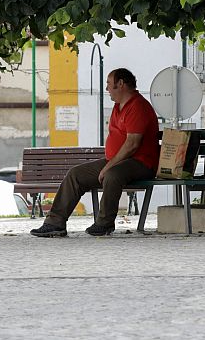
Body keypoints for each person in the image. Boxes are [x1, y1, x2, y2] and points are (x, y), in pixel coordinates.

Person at [31, 68, 159, 237]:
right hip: (117, 161)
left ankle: (104, 224)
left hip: (140, 163)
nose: (106, 89)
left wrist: (108, 167)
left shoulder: (138, 106)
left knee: (112, 175)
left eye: (109, 83)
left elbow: (132, 145)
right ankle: (55, 223)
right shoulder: (118, 106)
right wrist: (109, 163)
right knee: (75, 174)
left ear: (120, 84)